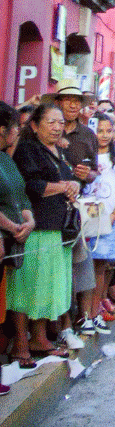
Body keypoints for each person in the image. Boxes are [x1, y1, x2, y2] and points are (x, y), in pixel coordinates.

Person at [9, 101, 79, 365]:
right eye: (51, 122)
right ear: (35, 126)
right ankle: (21, 344)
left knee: (47, 288)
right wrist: (63, 186)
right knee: (27, 288)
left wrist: (72, 185)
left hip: (56, 228)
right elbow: (31, 185)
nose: (57, 127)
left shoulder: (57, 151)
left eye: (60, 122)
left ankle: (39, 338)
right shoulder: (28, 149)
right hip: (35, 228)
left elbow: (63, 183)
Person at [81, 113, 115, 325]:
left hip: (109, 218)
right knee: (84, 266)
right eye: (99, 130)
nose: (104, 135)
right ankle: (84, 315)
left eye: (108, 131)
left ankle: (96, 309)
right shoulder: (85, 155)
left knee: (101, 266)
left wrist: (114, 214)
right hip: (86, 216)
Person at [0, 101, 36, 382]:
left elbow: (22, 195)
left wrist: (28, 221)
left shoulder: (6, 159)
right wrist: (12, 227)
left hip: (11, 242)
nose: (17, 134)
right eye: (15, 128)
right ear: (3, 130)